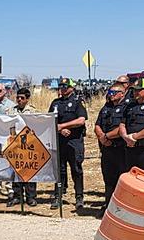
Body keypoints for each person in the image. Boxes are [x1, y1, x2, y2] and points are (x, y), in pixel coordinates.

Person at [49, 78, 88, 209]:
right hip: (60, 141)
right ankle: (58, 196)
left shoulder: (78, 102)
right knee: (59, 170)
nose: (63, 88)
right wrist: (59, 129)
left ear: (72, 87)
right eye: (61, 86)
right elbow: (49, 120)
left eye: (65, 86)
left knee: (76, 169)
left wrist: (63, 126)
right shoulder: (55, 103)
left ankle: (79, 197)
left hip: (74, 141)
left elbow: (81, 120)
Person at [94, 84, 127, 210]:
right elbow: (97, 125)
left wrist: (106, 136)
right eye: (110, 92)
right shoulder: (106, 107)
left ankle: (120, 209)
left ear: (122, 94)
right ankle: (108, 206)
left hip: (120, 149)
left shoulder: (127, 107)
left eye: (114, 92)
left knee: (121, 180)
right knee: (108, 180)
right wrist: (102, 137)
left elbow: (123, 128)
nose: (111, 94)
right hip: (107, 149)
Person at [6, 87, 38, 208]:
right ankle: (17, 196)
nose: (19, 100)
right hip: (15, 145)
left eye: (22, 98)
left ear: (27, 99)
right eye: (18, 97)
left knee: (29, 172)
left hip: (29, 145)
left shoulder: (33, 111)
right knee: (15, 172)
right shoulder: (11, 111)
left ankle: (31, 197)